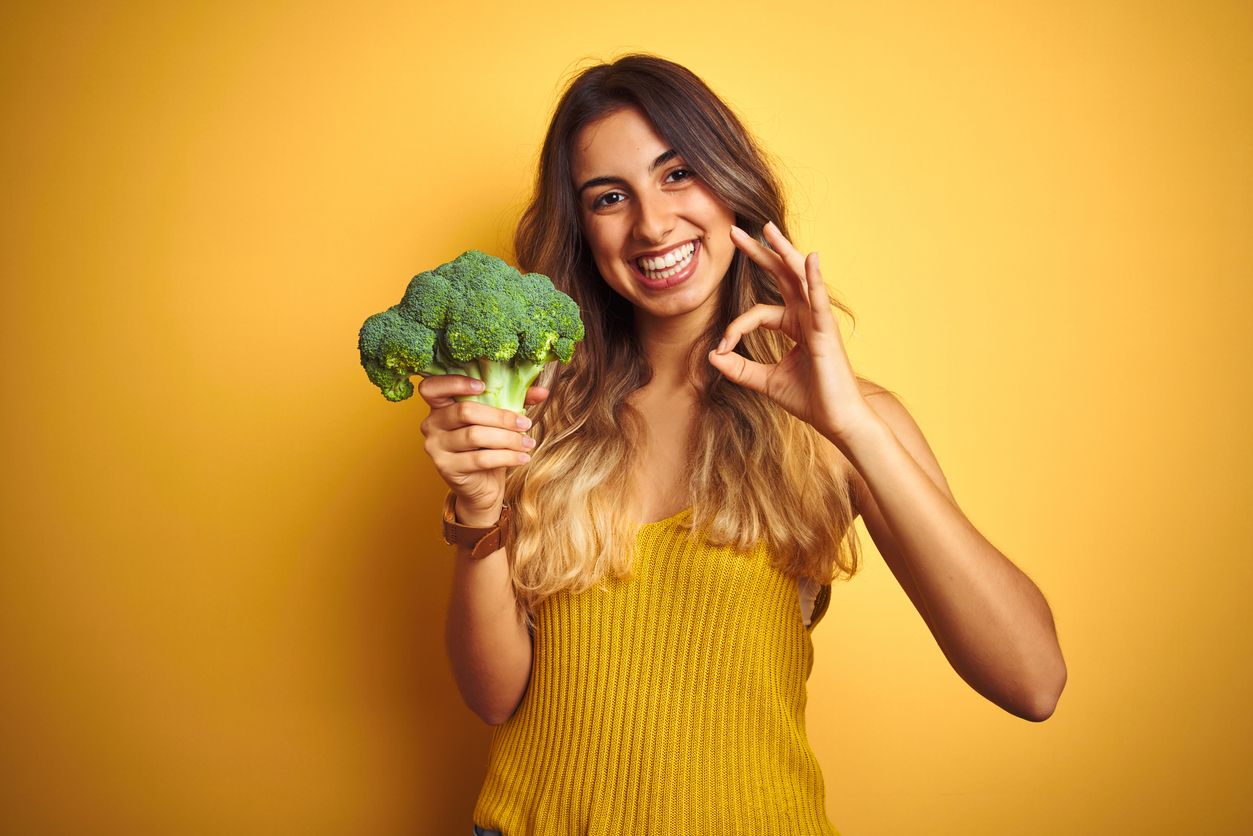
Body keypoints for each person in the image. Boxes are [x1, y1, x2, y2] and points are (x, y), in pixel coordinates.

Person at [421, 54, 1067, 836]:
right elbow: (495, 699)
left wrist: (850, 426)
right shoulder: (538, 408)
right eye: (609, 197)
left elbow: (1031, 682)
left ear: (730, 183)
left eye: (678, 172)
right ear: (581, 228)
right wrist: (476, 508)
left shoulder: (843, 423)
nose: (652, 224)